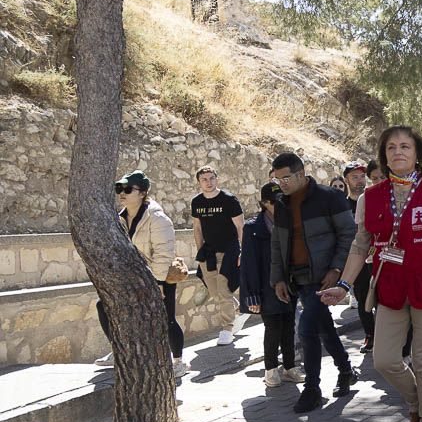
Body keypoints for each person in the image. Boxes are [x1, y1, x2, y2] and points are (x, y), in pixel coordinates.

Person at [318, 126, 422, 422]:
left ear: (417, 154)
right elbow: (359, 245)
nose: (398, 152)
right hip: (391, 289)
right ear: (384, 154)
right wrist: (344, 285)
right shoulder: (371, 197)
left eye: (405, 146)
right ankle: (417, 407)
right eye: (392, 147)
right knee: (383, 359)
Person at [269, 152, 358, 413]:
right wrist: (279, 279)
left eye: (286, 178)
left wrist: (337, 269)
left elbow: (349, 235)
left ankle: (312, 388)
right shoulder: (281, 205)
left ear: (300, 174)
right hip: (299, 279)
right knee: (323, 328)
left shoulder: (328, 198)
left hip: (325, 277)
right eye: (277, 180)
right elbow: (278, 244)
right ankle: (345, 370)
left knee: (307, 329)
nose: (282, 184)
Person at [95, 171, 187, 378]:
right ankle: (120, 352)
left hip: (159, 276)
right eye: (119, 189)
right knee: (104, 306)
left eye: (128, 189)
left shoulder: (158, 219)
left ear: (143, 193)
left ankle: (179, 361)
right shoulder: (120, 218)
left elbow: (164, 253)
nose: (122, 193)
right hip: (133, 276)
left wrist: (158, 283)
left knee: (166, 319)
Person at [241, 182, 303, 387]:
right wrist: (252, 296)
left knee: (288, 327)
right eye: (276, 202)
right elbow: (249, 263)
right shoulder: (252, 228)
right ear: (264, 203)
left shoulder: (289, 222)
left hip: (289, 283)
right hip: (265, 286)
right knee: (272, 327)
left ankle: (289, 366)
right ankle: (270, 369)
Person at [191, 166, 244, 346]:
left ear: (217, 178)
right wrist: (201, 251)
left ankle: (227, 328)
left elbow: (240, 227)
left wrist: (243, 251)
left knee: (223, 288)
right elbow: (197, 228)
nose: (209, 182)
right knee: (215, 293)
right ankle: (236, 307)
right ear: (199, 182)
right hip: (208, 253)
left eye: (212, 178)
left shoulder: (229, 200)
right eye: (204, 179)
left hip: (228, 250)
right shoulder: (197, 202)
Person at [341, 161, 375, 352]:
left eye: (362, 176)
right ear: (346, 179)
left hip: (377, 255)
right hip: (357, 257)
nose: (360, 181)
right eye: (355, 177)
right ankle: (370, 334)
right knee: (363, 297)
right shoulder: (342, 205)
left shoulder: (372, 199)